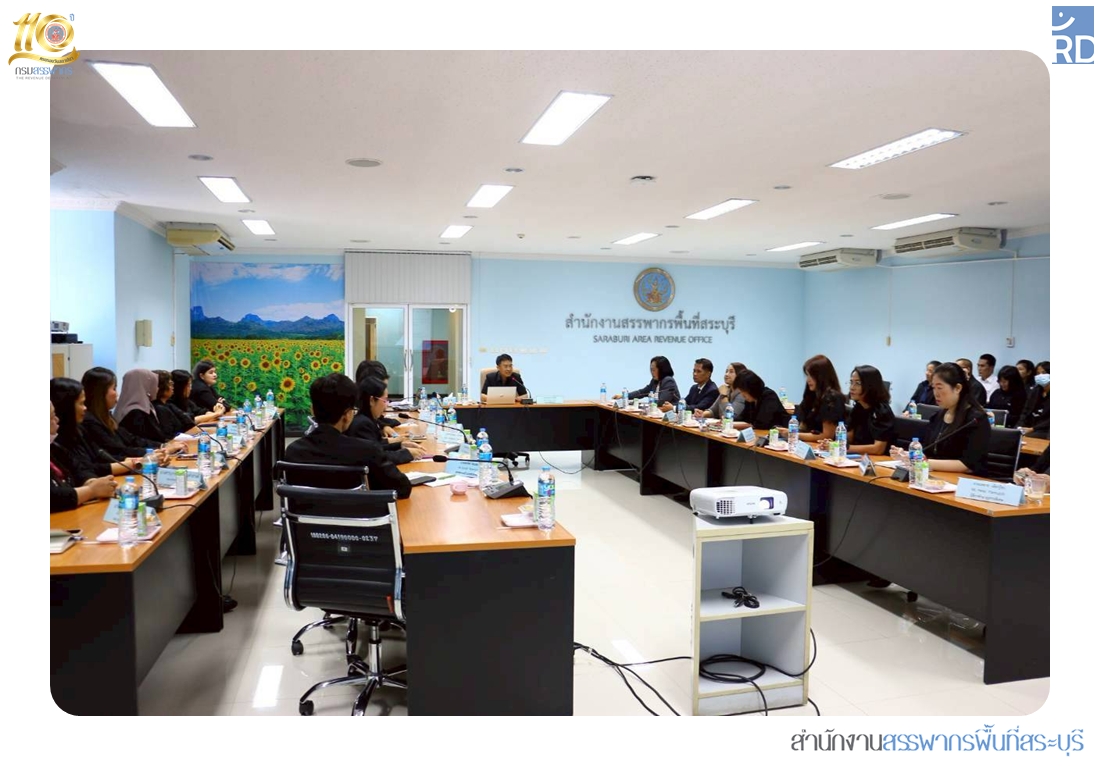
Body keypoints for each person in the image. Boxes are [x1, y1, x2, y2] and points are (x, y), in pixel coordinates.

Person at [283, 374, 412, 499]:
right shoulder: (366, 451)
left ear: (312, 410)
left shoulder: (293, 451)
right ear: (348, 415)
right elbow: (402, 488)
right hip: (358, 513)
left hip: (307, 514)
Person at [892, 362, 990, 475]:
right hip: (934, 476)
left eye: (939, 388)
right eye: (933, 388)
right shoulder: (938, 416)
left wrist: (925, 463)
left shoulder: (976, 420)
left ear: (958, 388)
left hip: (963, 479)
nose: (936, 393)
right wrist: (909, 455)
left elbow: (968, 465)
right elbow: (927, 450)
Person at [51, 377, 150, 479]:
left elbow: (101, 456)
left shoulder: (79, 429)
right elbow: (87, 469)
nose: (85, 408)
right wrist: (134, 463)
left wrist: (136, 460)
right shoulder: (85, 424)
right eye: (81, 403)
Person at [80, 367, 182, 460]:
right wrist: (158, 451)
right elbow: (119, 451)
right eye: (114, 388)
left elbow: (131, 439)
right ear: (100, 392)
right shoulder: (91, 422)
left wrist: (162, 446)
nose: (117, 394)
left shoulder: (106, 417)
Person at [50, 401, 117, 513]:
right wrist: (91, 490)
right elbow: (52, 497)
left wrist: (91, 482)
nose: (57, 420)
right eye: (52, 417)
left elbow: (79, 469)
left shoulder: (55, 448)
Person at [346, 376, 427, 463]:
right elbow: (376, 457)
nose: (386, 405)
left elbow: (377, 446)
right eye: (384, 400)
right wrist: (407, 453)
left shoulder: (368, 419)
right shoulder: (362, 424)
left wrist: (400, 445)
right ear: (372, 400)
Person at [790, 354, 846, 443]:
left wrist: (793, 435)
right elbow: (802, 424)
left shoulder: (832, 398)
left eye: (811, 376)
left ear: (821, 376)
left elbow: (827, 435)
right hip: (807, 444)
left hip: (823, 446)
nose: (808, 380)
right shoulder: (811, 395)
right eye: (807, 375)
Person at [844, 365, 894, 455]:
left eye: (858, 383)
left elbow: (878, 449)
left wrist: (844, 448)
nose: (852, 387)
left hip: (876, 459)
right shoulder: (858, 407)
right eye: (851, 382)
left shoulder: (882, 411)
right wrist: (833, 443)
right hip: (857, 456)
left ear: (870, 386)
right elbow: (849, 438)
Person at [116, 369, 173, 444]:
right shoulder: (135, 412)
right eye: (153, 384)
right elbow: (140, 441)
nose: (157, 388)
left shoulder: (144, 406)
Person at [615, 355, 681, 410]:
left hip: (671, 416)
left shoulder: (668, 381)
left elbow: (661, 402)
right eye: (651, 370)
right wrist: (625, 396)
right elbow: (642, 392)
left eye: (653, 370)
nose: (651, 372)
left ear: (662, 370)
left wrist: (642, 406)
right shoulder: (655, 381)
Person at [1019, 364, 1050, 438]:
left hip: (1045, 430)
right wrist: (1019, 426)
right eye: (1038, 373)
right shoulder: (1036, 390)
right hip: (1031, 426)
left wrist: (1033, 429)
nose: (1040, 376)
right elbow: (1025, 411)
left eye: (1043, 373)